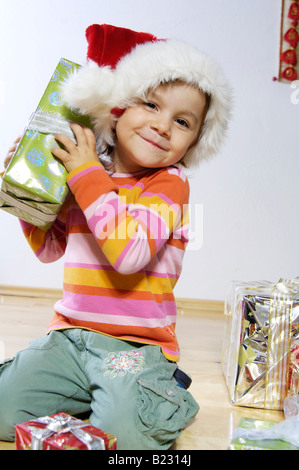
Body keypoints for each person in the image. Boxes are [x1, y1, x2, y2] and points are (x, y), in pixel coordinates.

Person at [0, 24, 231, 450]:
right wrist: (29, 189)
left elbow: (129, 252)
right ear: (119, 107)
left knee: (125, 440)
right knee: (2, 410)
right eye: (150, 104)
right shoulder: (89, 170)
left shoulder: (170, 184)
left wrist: (86, 175)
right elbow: (50, 250)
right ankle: (96, 393)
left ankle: (163, 393)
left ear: (194, 141)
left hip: (136, 346)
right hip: (70, 335)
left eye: (182, 121)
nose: (162, 126)